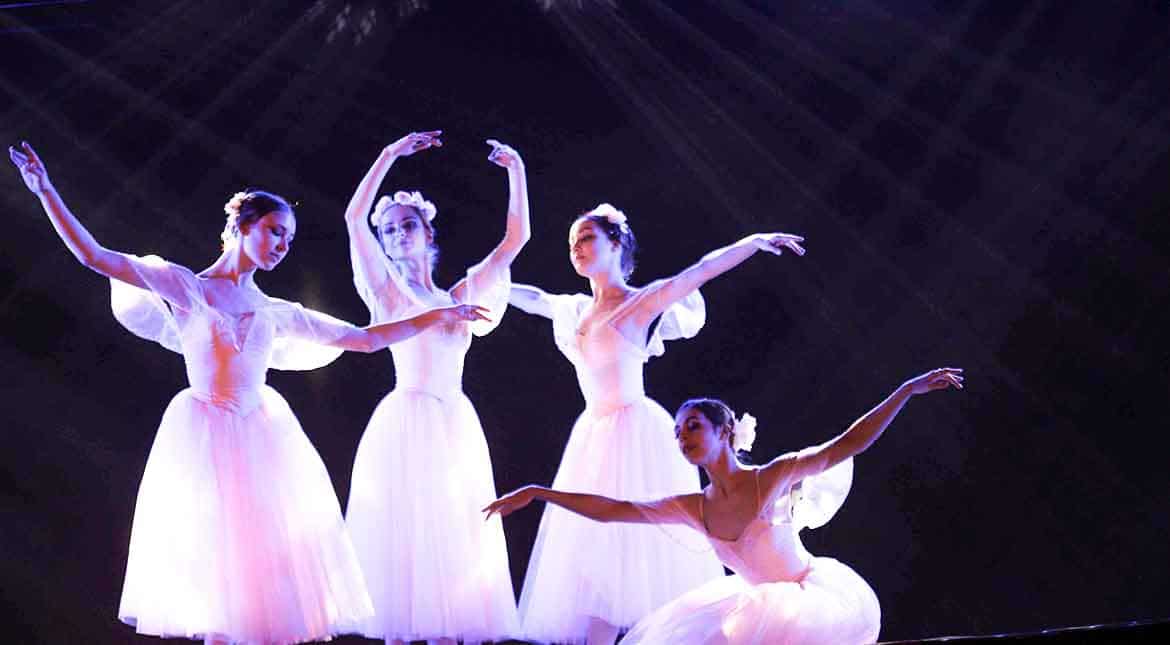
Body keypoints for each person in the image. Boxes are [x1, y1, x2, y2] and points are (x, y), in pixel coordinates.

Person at [8, 142, 488, 645]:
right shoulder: (186, 287)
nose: (283, 245)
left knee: (266, 584)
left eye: (289, 238)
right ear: (242, 226)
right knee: (216, 579)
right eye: (275, 231)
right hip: (202, 440)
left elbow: (365, 340)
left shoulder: (278, 311)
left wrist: (437, 314)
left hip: (264, 443)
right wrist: (46, 191)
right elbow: (95, 257)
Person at [507, 203, 807, 644]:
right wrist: (482, 282)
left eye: (587, 238)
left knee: (640, 557)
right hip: (592, 437)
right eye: (572, 243)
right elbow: (532, 298)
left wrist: (752, 243)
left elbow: (699, 272)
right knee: (592, 560)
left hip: (636, 435)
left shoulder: (638, 304)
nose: (577, 248)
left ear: (615, 244)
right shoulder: (574, 309)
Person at [487, 368, 964, 644]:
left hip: (812, 601)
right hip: (755, 609)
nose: (683, 437)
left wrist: (906, 391)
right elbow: (614, 509)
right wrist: (541, 492)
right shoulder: (693, 506)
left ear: (725, 430)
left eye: (693, 426)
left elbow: (847, 444)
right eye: (678, 432)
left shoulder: (771, 477)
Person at [340, 132, 528, 645]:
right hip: (407, 418)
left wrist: (515, 170)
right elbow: (354, 219)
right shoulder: (388, 292)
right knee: (408, 538)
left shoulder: (458, 294)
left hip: (455, 421)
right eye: (390, 230)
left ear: (428, 233)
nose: (398, 235)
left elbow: (514, 242)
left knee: (454, 539)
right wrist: (389, 154)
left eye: (408, 225)